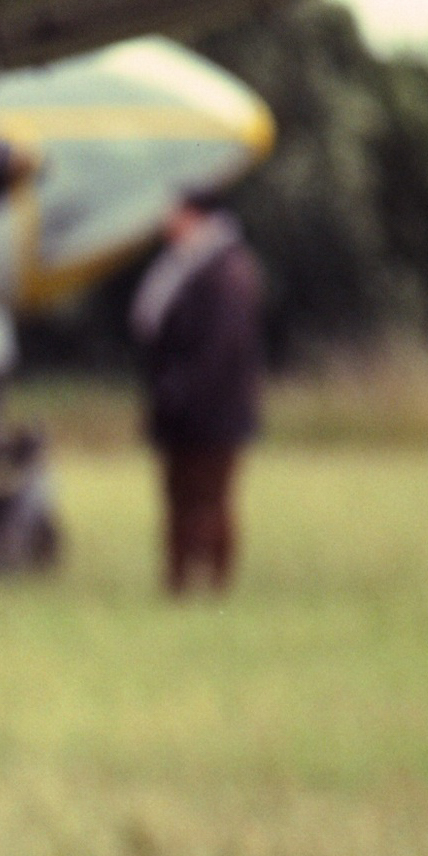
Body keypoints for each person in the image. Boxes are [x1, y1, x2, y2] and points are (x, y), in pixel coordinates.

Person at [130, 198, 265, 593]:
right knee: (181, 498)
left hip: (210, 411)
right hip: (184, 410)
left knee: (208, 498)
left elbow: (220, 349)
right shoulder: (190, 267)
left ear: (194, 216)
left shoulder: (224, 271)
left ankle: (209, 585)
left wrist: (180, 393)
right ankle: (182, 582)